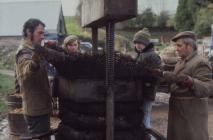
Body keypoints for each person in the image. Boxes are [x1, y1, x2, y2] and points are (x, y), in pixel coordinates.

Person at [152, 31, 213, 140]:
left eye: (179, 45)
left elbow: (208, 88)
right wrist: (163, 75)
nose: (177, 48)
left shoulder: (200, 62)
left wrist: (192, 82)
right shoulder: (182, 61)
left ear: (189, 46)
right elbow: (176, 79)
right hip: (179, 110)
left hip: (191, 114)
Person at [15, 18, 52, 139]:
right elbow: (26, 73)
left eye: (43, 33)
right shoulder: (24, 52)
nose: (42, 37)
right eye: (39, 33)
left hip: (41, 107)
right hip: (36, 110)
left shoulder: (32, 49)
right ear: (29, 32)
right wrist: (36, 59)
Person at [133, 28, 161, 135]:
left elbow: (158, 74)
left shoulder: (153, 56)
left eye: (140, 43)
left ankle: (148, 135)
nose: (138, 45)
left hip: (148, 90)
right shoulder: (140, 54)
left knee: (146, 114)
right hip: (140, 89)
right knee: (141, 113)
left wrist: (148, 81)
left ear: (146, 43)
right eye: (136, 43)